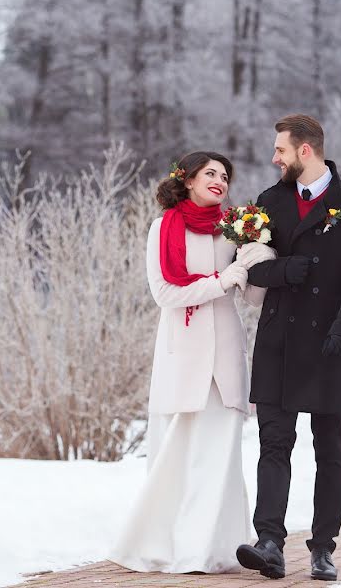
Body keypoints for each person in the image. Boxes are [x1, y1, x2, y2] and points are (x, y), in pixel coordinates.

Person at [107, 151, 276, 574]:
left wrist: (259, 257)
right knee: (177, 455)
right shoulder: (163, 228)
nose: (220, 180)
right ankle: (167, 546)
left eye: (225, 175)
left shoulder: (234, 229)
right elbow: (165, 293)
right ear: (187, 180)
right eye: (210, 173)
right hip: (182, 354)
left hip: (225, 358)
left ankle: (210, 551)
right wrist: (222, 280)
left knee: (219, 457)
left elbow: (252, 297)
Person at [235, 114, 341, 581]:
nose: (273, 157)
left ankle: (322, 549)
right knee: (273, 443)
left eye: (280, 149)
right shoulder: (268, 202)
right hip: (278, 341)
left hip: (331, 343)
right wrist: (285, 271)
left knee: (329, 448)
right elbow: (251, 269)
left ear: (305, 151)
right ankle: (270, 542)